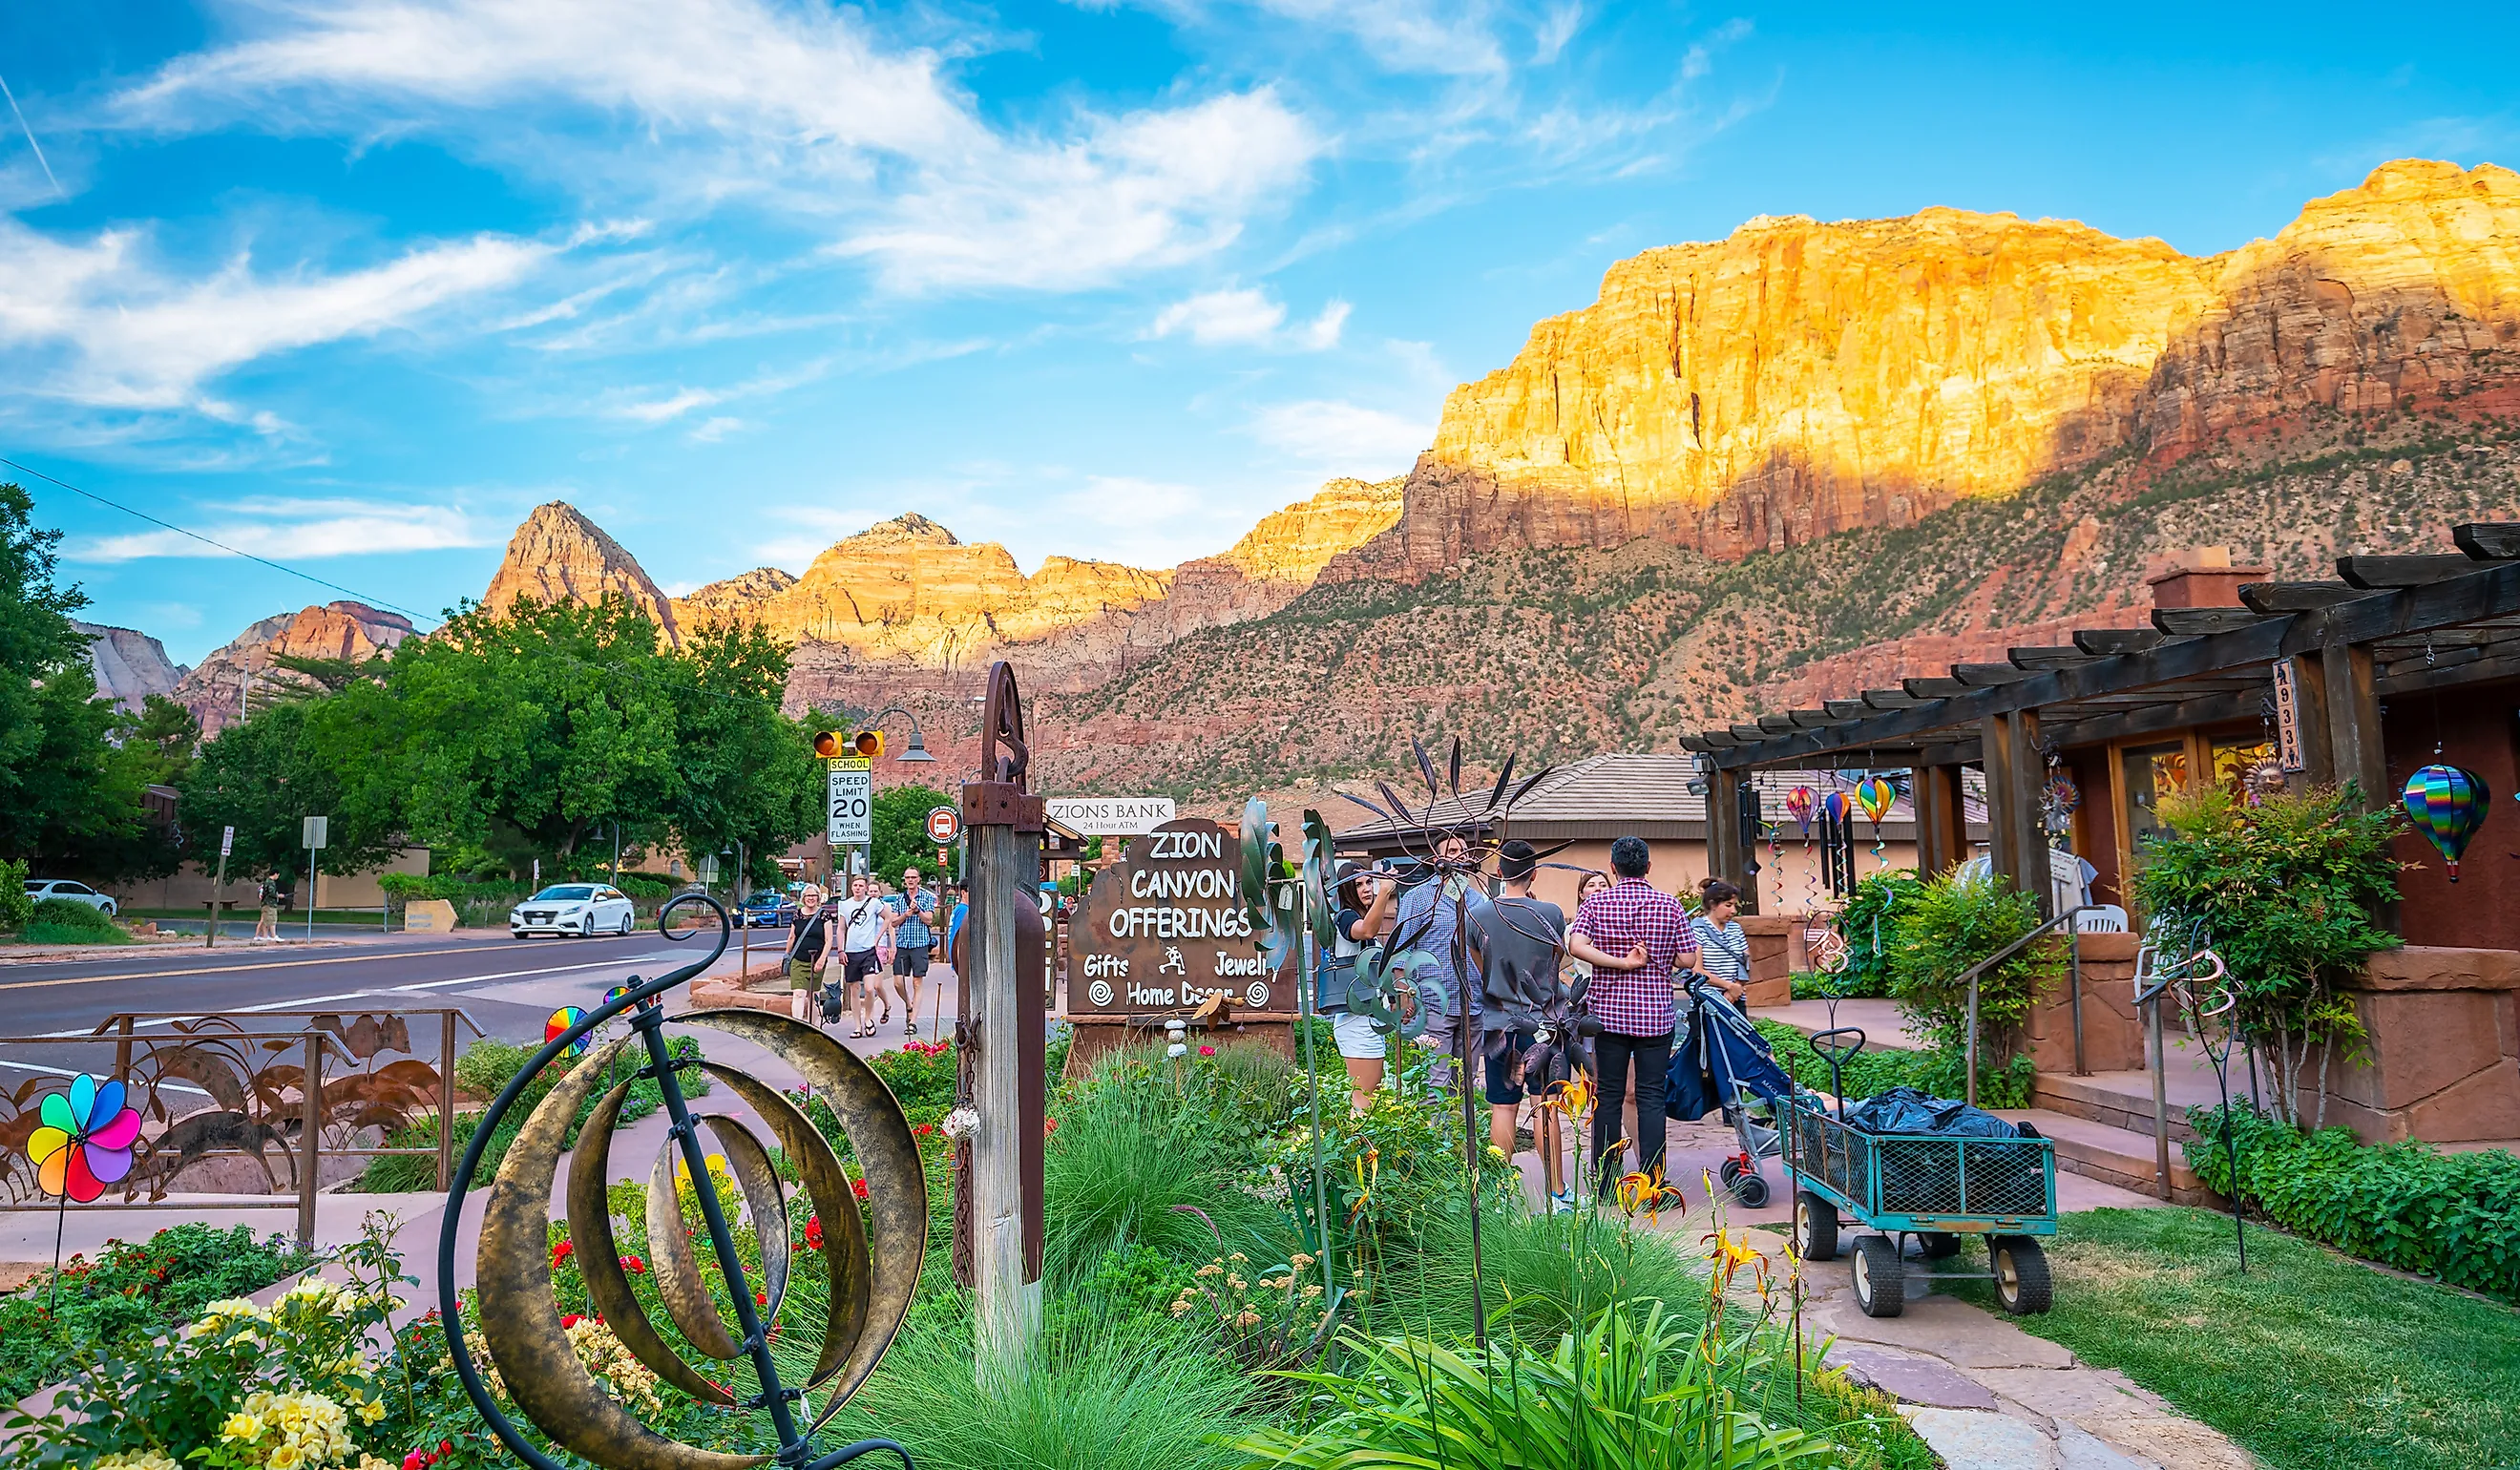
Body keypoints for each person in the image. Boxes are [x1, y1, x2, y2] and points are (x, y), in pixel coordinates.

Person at [1567, 835, 1698, 1201]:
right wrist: (1660, 956)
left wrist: (1619, 963)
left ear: (1613, 868)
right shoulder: (1669, 904)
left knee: (1608, 1097)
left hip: (1608, 1016)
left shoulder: (1596, 902)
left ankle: (1607, 1185)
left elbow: (1576, 945)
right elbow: (1688, 959)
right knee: (1651, 1098)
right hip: (1655, 1017)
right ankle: (1653, 1186)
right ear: (1648, 867)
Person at [1471, 840, 1564, 1165]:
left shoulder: (1478, 915)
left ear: (1499, 872)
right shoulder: (1551, 912)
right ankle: (1557, 1188)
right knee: (1545, 1105)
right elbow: (1556, 957)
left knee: (1503, 1106)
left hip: (1499, 1023)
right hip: (1542, 1024)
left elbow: (1479, 962)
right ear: (1534, 874)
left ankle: (1501, 1189)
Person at [1391, 833, 1490, 1095]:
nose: (1460, 855)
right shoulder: (1419, 898)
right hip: (1434, 1004)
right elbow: (1401, 949)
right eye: (1452, 850)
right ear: (1437, 859)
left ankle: (1461, 1124)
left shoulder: (1477, 900)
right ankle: (1434, 1123)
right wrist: (1404, 993)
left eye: (1464, 850)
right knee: (1435, 1084)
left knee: (1465, 1084)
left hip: (1472, 1003)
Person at [1322, 862, 1400, 1113]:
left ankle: (1361, 1138)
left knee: (1368, 1097)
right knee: (1363, 1100)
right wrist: (1384, 891)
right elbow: (1366, 931)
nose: (1366, 889)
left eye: (1369, 882)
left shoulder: (1360, 917)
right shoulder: (1346, 917)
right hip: (1356, 1021)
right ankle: (1358, 1139)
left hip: (1366, 1018)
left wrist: (1393, 1000)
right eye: (1358, 885)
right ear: (1347, 890)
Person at [829, 874, 894, 1040]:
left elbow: (888, 917)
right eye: (855, 885)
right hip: (851, 951)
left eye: (860, 886)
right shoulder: (845, 905)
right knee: (854, 989)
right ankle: (857, 1026)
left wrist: (878, 937)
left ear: (865, 888)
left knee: (870, 988)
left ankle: (868, 1018)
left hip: (868, 950)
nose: (858, 888)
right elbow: (841, 928)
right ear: (852, 887)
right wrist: (841, 950)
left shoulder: (873, 903)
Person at [886, 867, 940, 1036]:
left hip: (919, 944)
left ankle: (913, 1021)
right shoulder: (899, 898)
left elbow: (929, 920)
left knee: (917, 982)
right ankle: (909, 1004)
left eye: (913, 877)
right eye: (908, 877)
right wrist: (906, 914)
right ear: (905, 880)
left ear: (918, 880)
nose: (910, 880)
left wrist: (918, 911)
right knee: (898, 982)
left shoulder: (926, 897)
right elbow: (893, 922)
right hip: (903, 943)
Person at [1688, 878, 1750, 1004]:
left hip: (1735, 998)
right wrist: (1729, 986)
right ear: (1713, 905)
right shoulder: (1697, 929)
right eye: (1728, 905)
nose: (1733, 911)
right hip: (1707, 999)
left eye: (1734, 905)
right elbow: (1697, 970)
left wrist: (1735, 989)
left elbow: (1746, 962)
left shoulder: (1736, 929)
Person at [784, 885, 835, 1023]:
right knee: (798, 993)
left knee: (813, 995)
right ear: (803, 898)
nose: (811, 898)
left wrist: (822, 959)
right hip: (798, 959)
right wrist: (786, 955)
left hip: (816, 960)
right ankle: (798, 1025)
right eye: (808, 896)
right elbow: (792, 937)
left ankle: (813, 1025)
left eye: (813, 896)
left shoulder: (824, 915)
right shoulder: (797, 914)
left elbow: (829, 940)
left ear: (818, 897)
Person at [254, 872, 282, 942]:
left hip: (264, 904)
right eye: (278, 875)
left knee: (264, 920)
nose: (278, 877)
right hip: (270, 904)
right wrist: (278, 896)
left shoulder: (266, 882)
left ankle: (264, 936)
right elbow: (271, 893)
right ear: (275, 874)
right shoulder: (271, 882)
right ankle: (273, 936)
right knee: (271, 919)